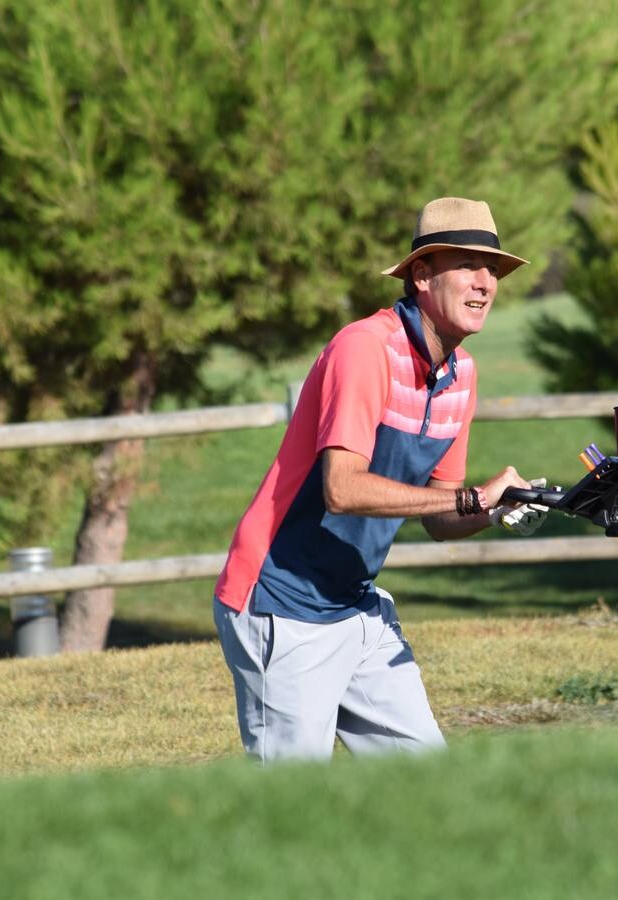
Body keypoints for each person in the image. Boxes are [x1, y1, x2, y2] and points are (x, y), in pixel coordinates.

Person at [213, 197, 549, 762]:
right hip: (281, 604)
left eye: (493, 269)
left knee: (430, 789)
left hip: (356, 606)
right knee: (290, 815)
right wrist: (469, 496)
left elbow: (441, 519)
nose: (485, 282)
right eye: (467, 264)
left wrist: (499, 504)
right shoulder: (364, 347)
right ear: (421, 274)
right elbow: (341, 489)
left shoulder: (461, 374)